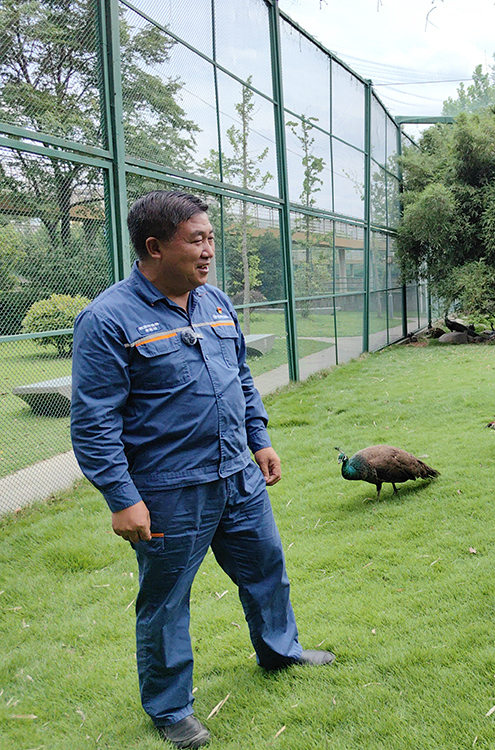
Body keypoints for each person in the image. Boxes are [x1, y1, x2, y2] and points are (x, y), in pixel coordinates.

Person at [70, 190, 332, 749]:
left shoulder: (214, 301)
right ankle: (170, 708)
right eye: (197, 240)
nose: (209, 250)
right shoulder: (108, 319)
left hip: (238, 475)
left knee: (266, 568)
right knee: (166, 601)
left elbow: (239, 378)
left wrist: (258, 439)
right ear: (154, 247)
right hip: (168, 491)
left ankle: (280, 650)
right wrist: (122, 498)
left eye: (211, 238)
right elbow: (94, 425)